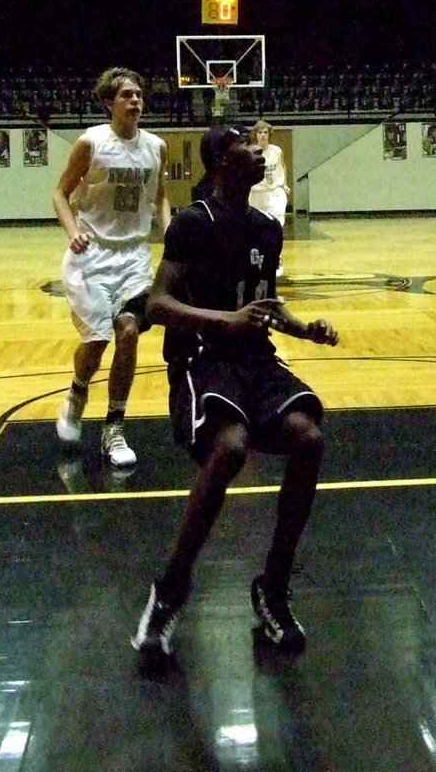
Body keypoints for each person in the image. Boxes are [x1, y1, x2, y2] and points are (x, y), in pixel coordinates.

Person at [131, 123, 339, 663]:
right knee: (230, 448)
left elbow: (264, 305)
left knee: (308, 438)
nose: (259, 151)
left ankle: (272, 587)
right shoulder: (190, 223)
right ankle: (170, 590)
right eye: (249, 145)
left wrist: (301, 327)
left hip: (255, 361)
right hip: (203, 359)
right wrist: (225, 321)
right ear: (223, 160)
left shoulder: (268, 227)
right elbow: (156, 305)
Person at [52, 68, 169, 467]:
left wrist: (171, 233)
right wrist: (73, 233)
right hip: (93, 255)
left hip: (134, 254)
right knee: (98, 340)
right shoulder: (92, 143)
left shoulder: (156, 146)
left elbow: (161, 198)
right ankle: (77, 391)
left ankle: (114, 427)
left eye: (138, 95)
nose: (135, 101)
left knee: (130, 331)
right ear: (109, 103)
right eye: (126, 95)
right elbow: (60, 193)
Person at [248, 120, 289, 277]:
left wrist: (284, 183)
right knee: (255, 229)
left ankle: (276, 258)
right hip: (256, 194)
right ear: (255, 135)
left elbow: (283, 166)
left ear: (269, 134)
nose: (263, 135)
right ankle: (257, 259)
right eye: (260, 132)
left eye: (265, 132)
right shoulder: (251, 152)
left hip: (274, 192)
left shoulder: (276, 151)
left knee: (276, 225)